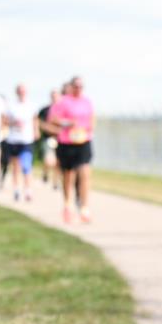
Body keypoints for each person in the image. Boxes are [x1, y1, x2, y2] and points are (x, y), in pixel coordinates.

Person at [48, 75, 95, 223]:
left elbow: (92, 118)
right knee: (69, 175)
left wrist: (89, 128)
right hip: (67, 142)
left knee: (85, 173)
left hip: (83, 141)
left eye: (81, 86)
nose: (78, 89)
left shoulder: (87, 102)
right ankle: (68, 205)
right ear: (71, 87)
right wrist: (68, 123)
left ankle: (84, 207)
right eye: (76, 86)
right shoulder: (63, 102)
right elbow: (53, 119)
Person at [5, 83, 39, 202]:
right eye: (20, 91)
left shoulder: (31, 105)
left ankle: (28, 190)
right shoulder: (11, 106)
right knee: (15, 166)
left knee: (26, 166)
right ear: (17, 92)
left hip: (26, 139)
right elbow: (4, 121)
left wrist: (36, 131)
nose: (22, 93)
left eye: (23, 91)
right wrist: (14, 123)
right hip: (14, 139)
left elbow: (35, 119)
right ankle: (16, 189)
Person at [38, 89, 60, 189]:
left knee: (58, 162)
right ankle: (45, 172)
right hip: (48, 139)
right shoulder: (45, 110)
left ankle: (56, 182)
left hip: (60, 139)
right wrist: (51, 129)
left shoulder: (62, 109)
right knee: (49, 161)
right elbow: (40, 123)